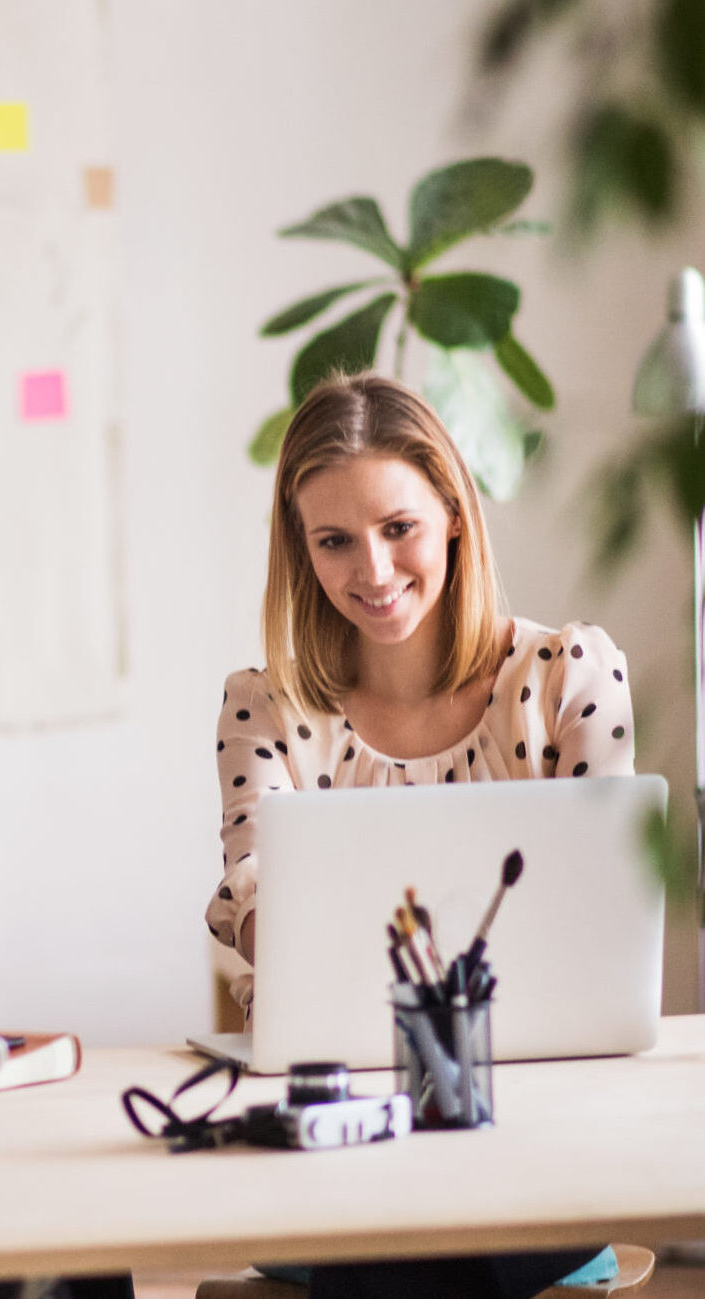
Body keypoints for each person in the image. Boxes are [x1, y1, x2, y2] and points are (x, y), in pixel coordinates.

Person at [204, 372, 632, 1299]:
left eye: (397, 527)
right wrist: (274, 933)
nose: (373, 569)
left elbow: (601, 926)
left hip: (530, 1144)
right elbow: (254, 891)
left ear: (450, 513)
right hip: (337, 1150)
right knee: (401, 1248)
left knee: (449, 1245)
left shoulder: (566, 677)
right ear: (301, 551)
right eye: (333, 540)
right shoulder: (264, 708)